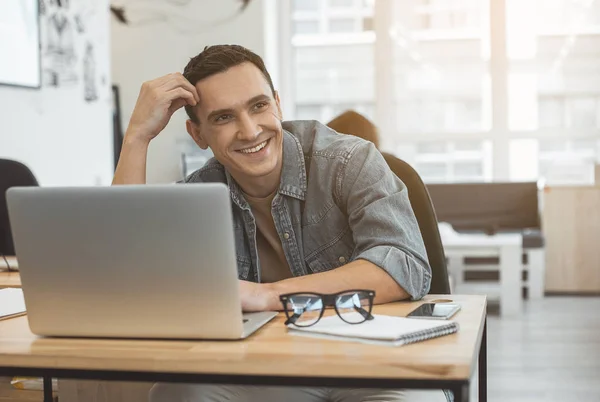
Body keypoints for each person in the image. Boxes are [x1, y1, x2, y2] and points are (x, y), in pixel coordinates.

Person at [113, 44, 446, 402]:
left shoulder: (350, 160)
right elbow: (124, 276)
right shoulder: (199, 194)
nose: (250, 130)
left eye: (258, 106)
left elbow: (403, 265)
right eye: (223, 118)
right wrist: (136, 137)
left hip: (378, 363)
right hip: (271, 368)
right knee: (176, 393)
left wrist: (267, 294)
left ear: (277, 103)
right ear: (198, 135)